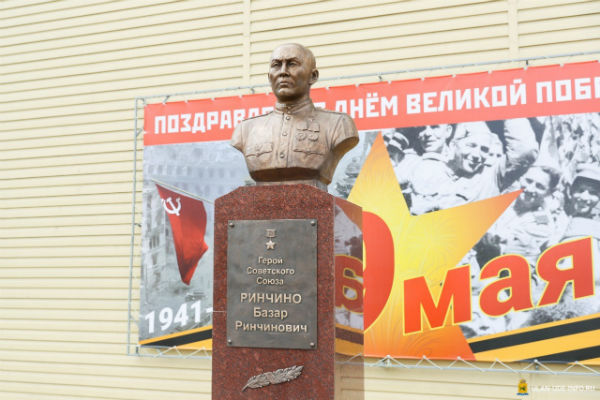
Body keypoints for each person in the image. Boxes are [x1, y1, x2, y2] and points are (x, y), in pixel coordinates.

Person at [231, 43, 359, 190]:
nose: (283, 72)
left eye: (292, 64)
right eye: (276, 65)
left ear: (313, 76)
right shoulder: (245, 130)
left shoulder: (339, 124)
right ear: (269, 77)